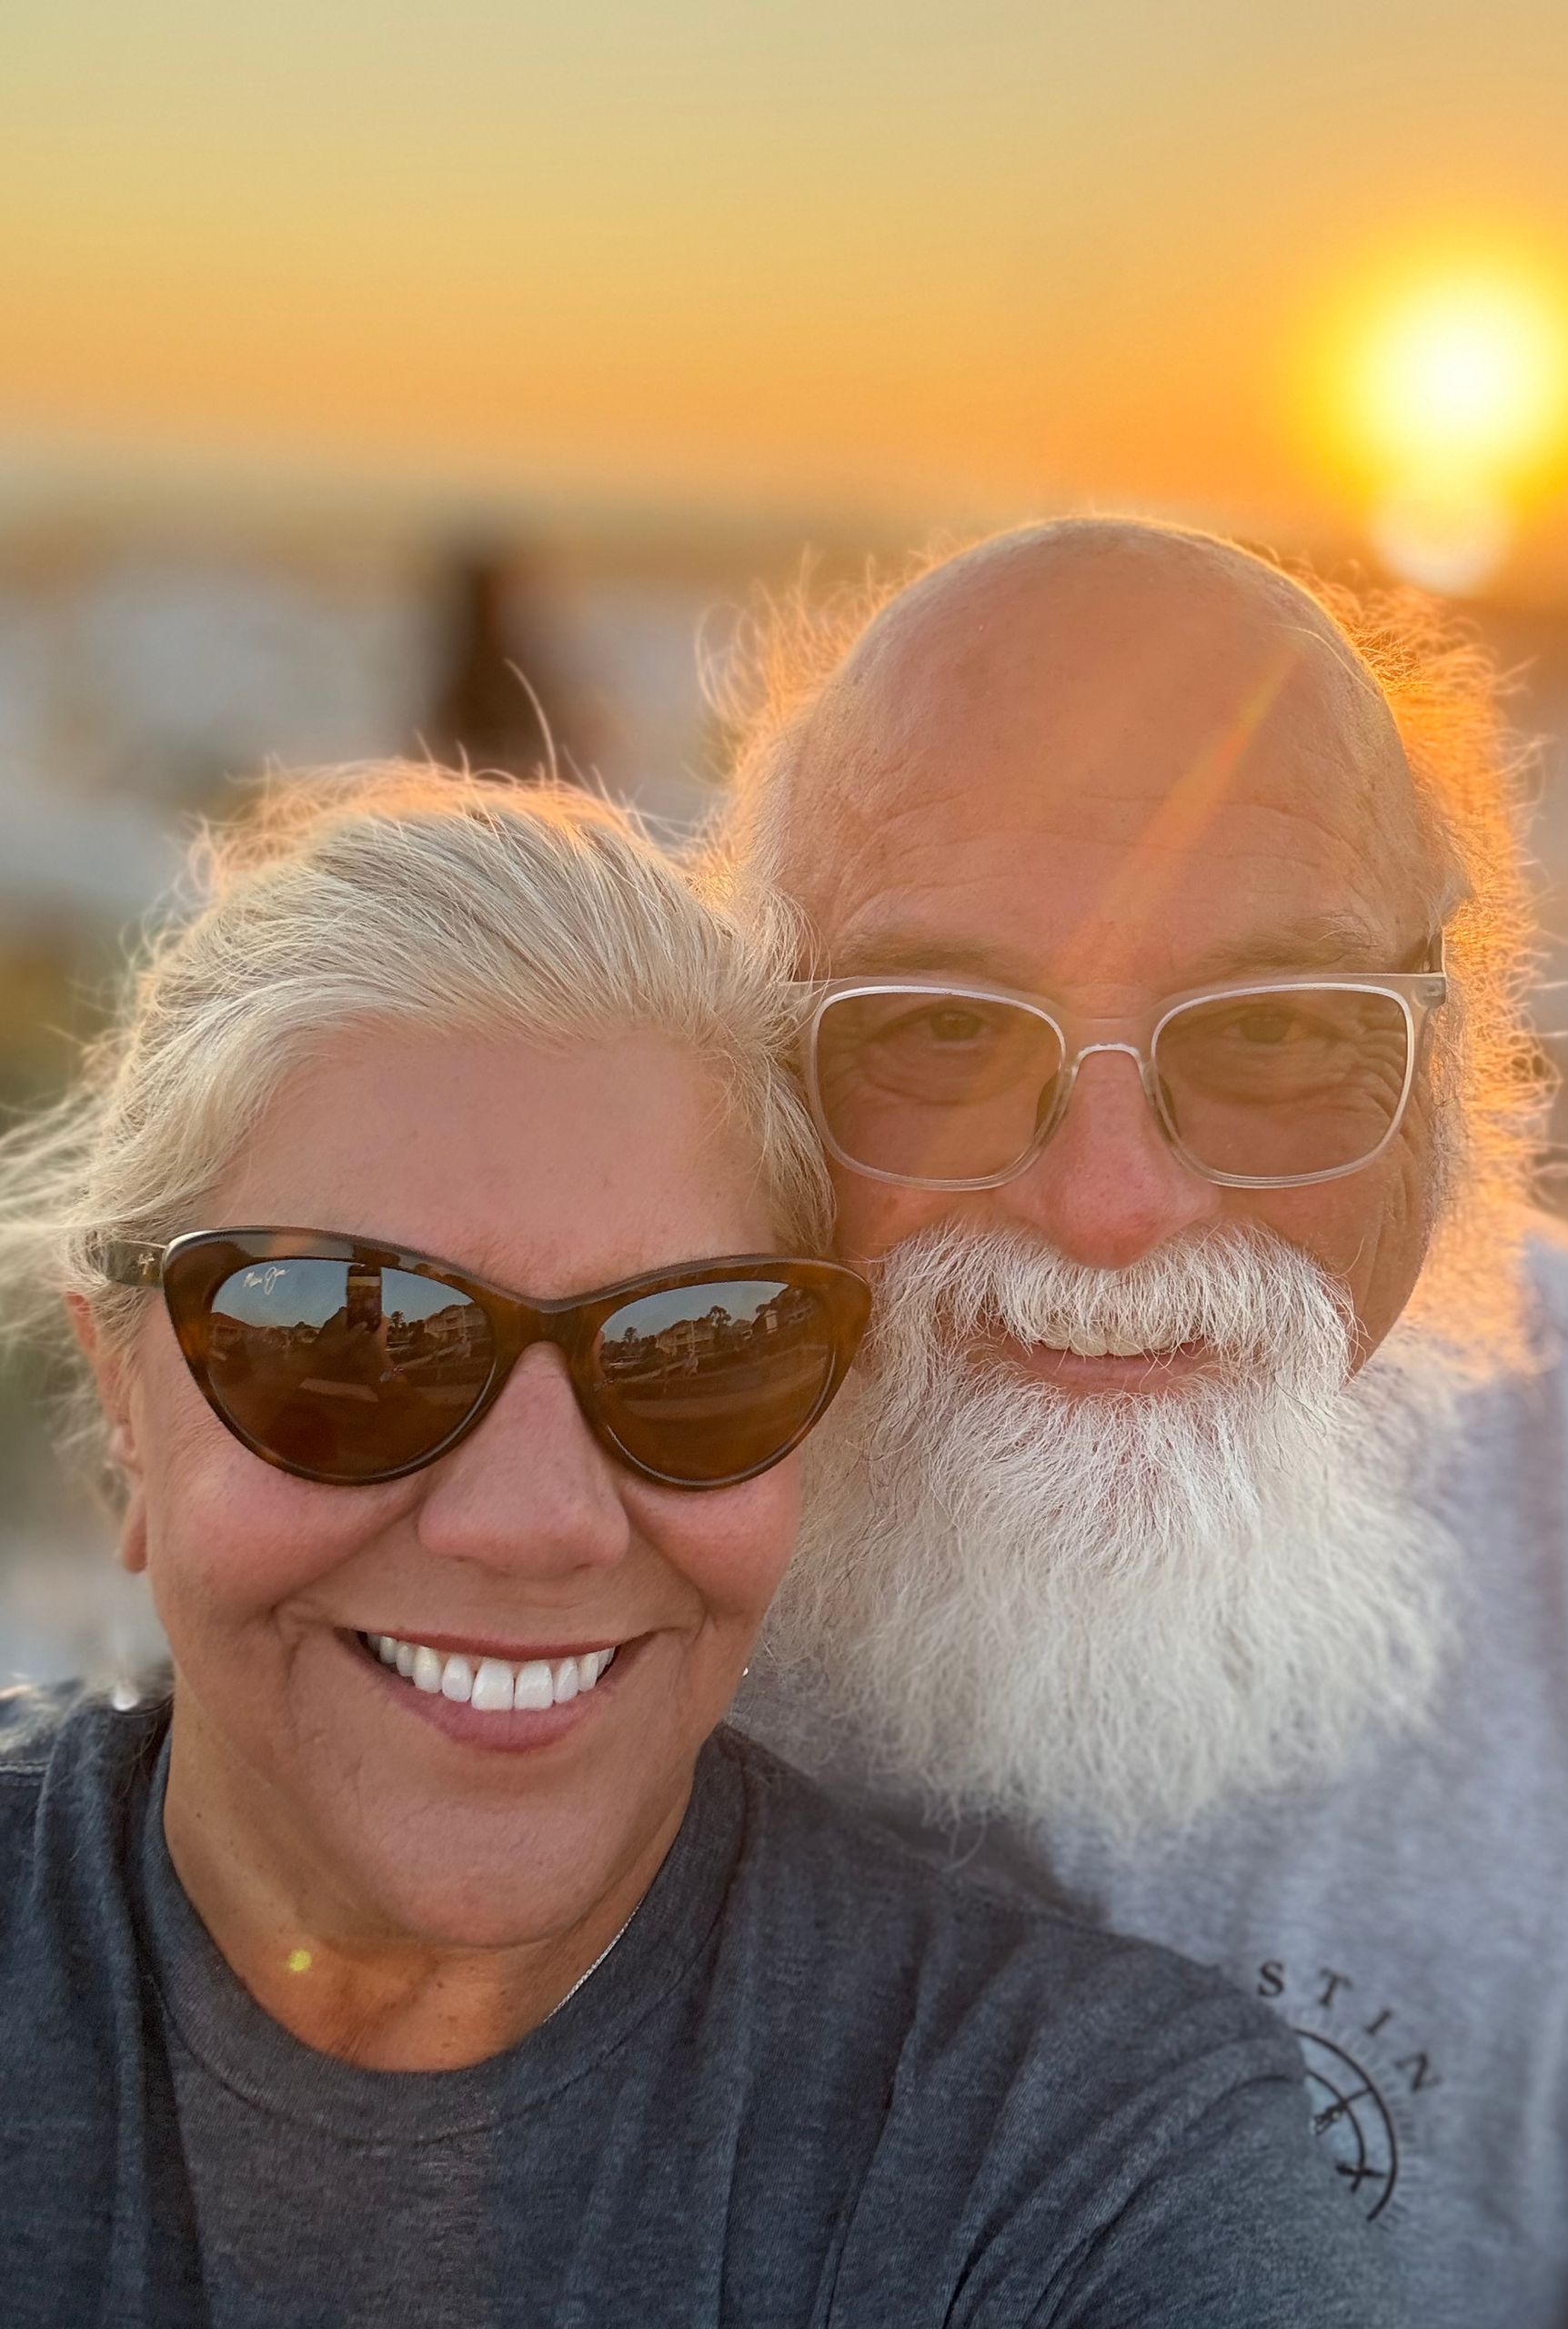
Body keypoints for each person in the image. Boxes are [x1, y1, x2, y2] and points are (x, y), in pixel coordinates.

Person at [0, 765, 1395, 2329]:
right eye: (345, 1338)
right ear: (123, 1390)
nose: (534, 1522)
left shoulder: (1077, 2159)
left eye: (699, 1349)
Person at [719, 519, 1568, 2329]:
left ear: (1456, 1059)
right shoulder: (588, 1461)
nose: (1108, 1202)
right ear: (764, 1054)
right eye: (942, 1032)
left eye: (1278, 1034)